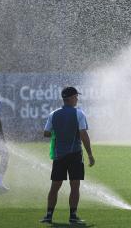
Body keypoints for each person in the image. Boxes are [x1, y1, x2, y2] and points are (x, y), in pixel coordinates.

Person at [40, 87, 95, 224]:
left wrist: (59, 133)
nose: (77, 99)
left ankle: (48, 216)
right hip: (75, 155)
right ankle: (73, 216)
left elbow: (46, 133)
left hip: (59, 156)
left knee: (55, 186)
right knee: (75, 186)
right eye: (76, 96)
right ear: (70, 98)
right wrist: (90, 154)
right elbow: (83, 135)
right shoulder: (79, 113)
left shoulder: (53, 114)